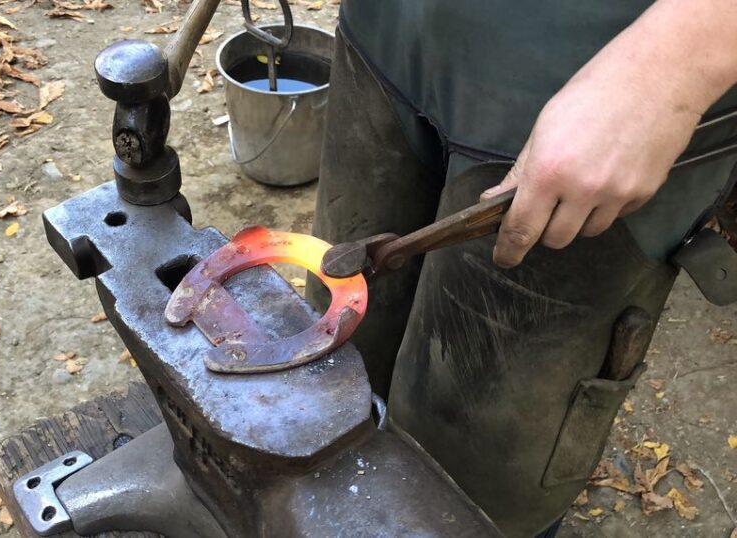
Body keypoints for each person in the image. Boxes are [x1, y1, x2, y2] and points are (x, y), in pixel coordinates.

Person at [305, 1, 737, 536]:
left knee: (477, 473)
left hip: (603, 74)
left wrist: (676, 62)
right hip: (386, 32)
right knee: (335, 354)